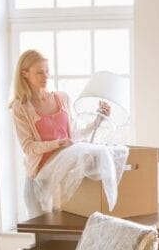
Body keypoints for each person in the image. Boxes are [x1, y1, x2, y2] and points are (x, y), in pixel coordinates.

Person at [9, 49, 110, 217]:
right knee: (43, 240)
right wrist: (58, 143)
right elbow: (28, 147)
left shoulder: (62, 98)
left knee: (68, 237)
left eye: (47, 71)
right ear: (24, 73)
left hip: (63, 182)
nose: (46, 76)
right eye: (39, 72)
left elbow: (72, 135)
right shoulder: (20, 107)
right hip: (38, 185)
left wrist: (97, 122)